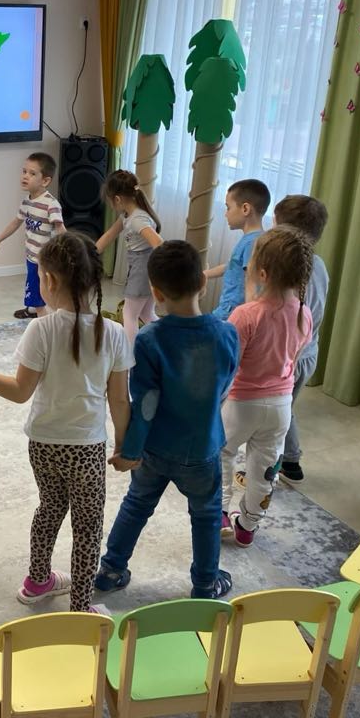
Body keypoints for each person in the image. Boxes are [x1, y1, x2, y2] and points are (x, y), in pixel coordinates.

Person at [0, 231, 133, 613]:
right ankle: (80, 609)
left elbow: (19, 392)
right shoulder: (113, 333)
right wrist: (123, 444)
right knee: (88, 527)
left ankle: (37, 580)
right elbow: (119, 399)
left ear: (50, 280)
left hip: (42, 444)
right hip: (87, 449)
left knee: (49, 508)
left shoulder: (40, 329)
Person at [96, 241, 239, 599]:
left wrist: (130, 450)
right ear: (203, 283)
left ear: (156, 293)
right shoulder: (227, 333)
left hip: (155, 449)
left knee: (137, 504)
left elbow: (145, 404)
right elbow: (225, 387)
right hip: (203, 449)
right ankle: (205, 583)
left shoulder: (149, 338)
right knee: (206, 515)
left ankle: (111, 569)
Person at [221, 226, 313, 547]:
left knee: (222, 453)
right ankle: (247, 527)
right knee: (264, 469)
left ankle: (219, 514)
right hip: (281, 406)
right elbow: (293, 359)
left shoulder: (244, 315)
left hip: (241, 403)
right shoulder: (304, 314)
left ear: (261, 273)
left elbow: (230, 364)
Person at [271, 196, 329, 485]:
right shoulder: (319, 265)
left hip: (287, 358)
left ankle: (270, 467)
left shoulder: (288, 272)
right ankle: (291, 461)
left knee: (275, 414)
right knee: (284, 408)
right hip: (308, 355)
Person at [94, 170, 164, 342]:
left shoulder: (137, 219)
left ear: (117, 199)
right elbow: (109, 235)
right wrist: (89, 253)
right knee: (146, 313)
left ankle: (130, 353)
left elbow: (158, 243)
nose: (111, 205)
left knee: (129, 314)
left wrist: (157, 272)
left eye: (110, 201)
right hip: (143, 268)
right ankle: (167, 341)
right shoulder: (127, 216)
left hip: (142, 268)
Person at [0, 152, 65, 319]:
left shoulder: (51, 204)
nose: (25, 176)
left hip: (45, 260)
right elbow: (15, 223)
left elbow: (60, 228)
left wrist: (72, 252)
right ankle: (33, 310)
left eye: (32, 173)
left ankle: (43, 322)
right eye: (24, 171)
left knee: (41, 291)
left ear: (45, 181)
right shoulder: (27, 202)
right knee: (33, 286)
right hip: (31, 256)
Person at [206, 179, 270, 320]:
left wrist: (248, 318)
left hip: (232, 313)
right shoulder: (253, 239)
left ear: (245, 209)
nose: (226, 214)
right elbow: (231, 266)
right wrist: (205, 274)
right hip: (229, 310)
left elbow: (252, 283)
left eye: (228, 208)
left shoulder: (252, 243)